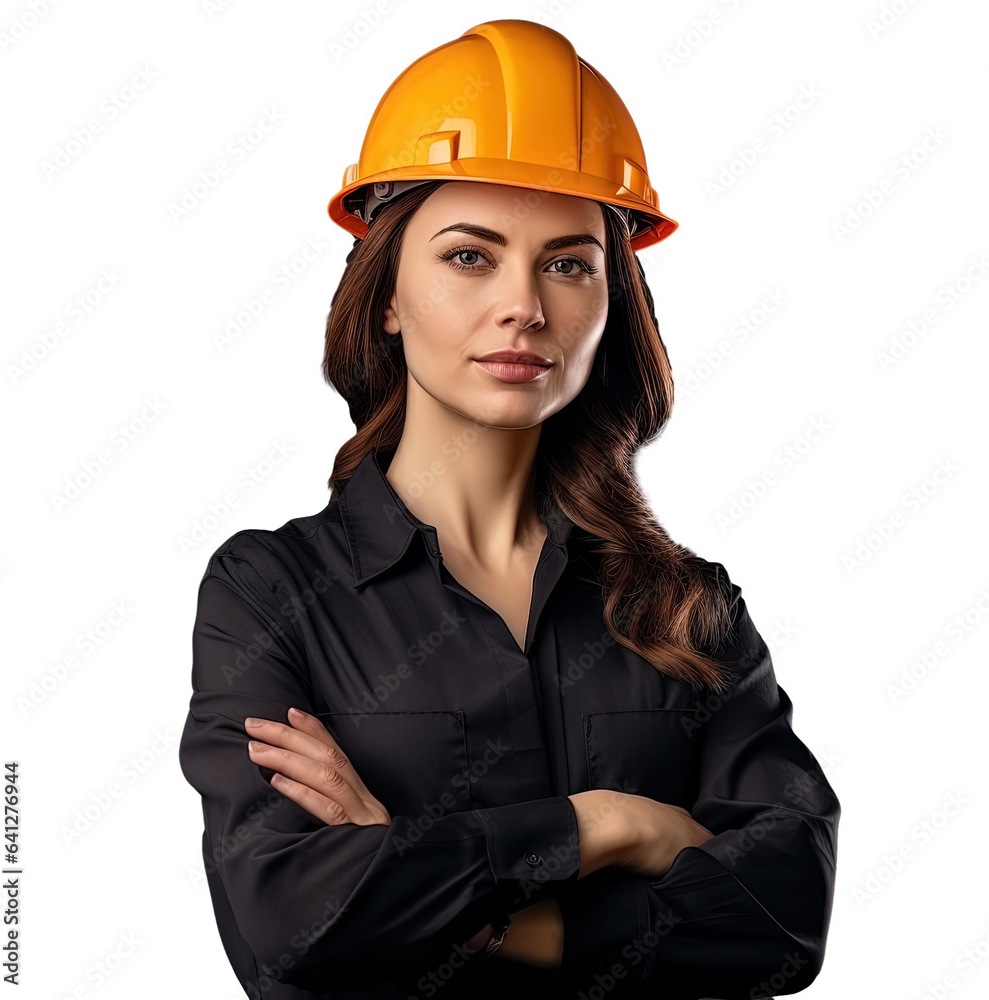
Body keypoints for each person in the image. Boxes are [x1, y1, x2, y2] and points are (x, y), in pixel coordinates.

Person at [178, 18, 840, 1000]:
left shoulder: (689, 607)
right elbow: (290, 920)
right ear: (387, 293)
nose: (525, 305)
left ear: (612, 298)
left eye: (569, 262)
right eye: (469, 256)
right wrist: (614, 825)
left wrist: (420, 876)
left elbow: (787, 920)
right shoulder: (271, 593)